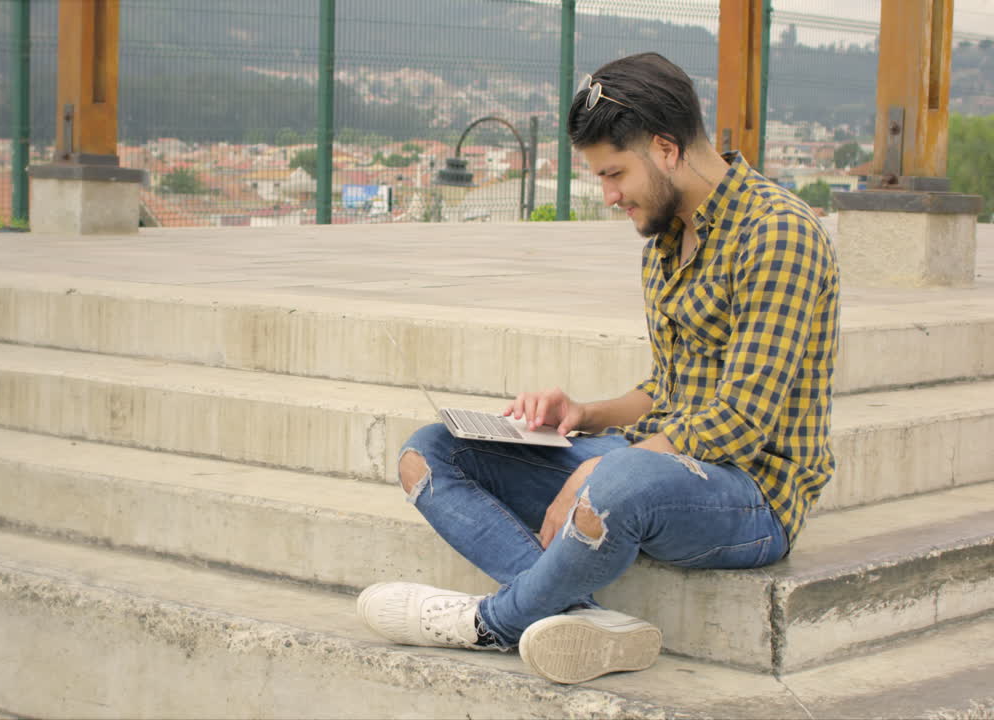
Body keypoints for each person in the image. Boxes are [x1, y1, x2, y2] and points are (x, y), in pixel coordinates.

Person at [356, 52, 840, 685]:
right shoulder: (666, 242)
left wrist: (604, 465)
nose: (610, 196)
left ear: (666, 148)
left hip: (751, 498)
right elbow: (668, 390)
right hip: (655, 464)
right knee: (432, 451)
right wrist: (584, 415)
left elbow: (744, 419)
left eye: (615, 173)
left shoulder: (778, 234)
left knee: (616, 483)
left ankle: (491, 622)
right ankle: (582, 619)